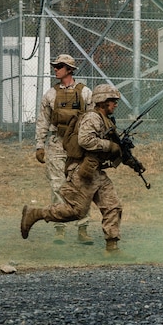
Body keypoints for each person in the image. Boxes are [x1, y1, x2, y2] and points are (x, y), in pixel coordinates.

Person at [21, 84, 143, 254]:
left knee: (112, 206)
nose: (116, 104)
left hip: (96, 171)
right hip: (82, 171)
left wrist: (133, 163)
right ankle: (35, 214)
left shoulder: (106, 120)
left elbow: (117, 149)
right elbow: (85, 140)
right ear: (102, 102)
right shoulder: (92, 118)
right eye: (112, 101)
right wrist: (109, 146)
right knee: (76, 211)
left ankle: (112, 247)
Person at [34, 54, 94, 245]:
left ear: (69, 70)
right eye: (55, 66)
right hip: (56, 143)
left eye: (60, 66)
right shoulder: (50, 95)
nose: (56, 69)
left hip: (79, 145)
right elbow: (42, 121)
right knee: (57, 186)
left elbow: (93, 120)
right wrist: (39, 146)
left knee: (82, 186)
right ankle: (59, 228)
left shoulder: (85, 93)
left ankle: (83, 228)